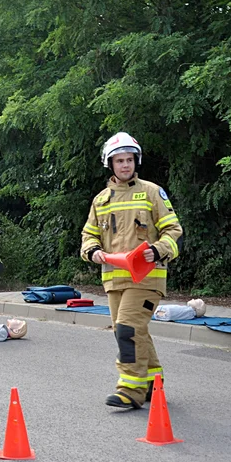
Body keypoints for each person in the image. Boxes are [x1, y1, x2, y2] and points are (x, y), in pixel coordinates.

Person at [80, 132, 183, 410]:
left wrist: (159, 249)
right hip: (115, 281)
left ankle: (130, 390)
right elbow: (88, 236)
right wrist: (93, 251)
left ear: (136, 161)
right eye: (119, 160)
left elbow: (174, 231)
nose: (125, 165)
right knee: (130, 331)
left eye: (129, 160)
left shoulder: (151, 192)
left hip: (147, 279)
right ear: (109, 164)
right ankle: (153, 383)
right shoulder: (101, 200)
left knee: (127, 328)